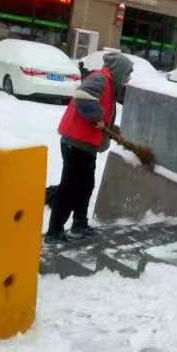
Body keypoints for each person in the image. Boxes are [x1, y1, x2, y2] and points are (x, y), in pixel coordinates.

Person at [45, 52, 134, 244]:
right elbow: (83, 97)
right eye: (127, 73)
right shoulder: (101, 78)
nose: (128, 78)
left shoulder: (109, 84)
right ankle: (54, 232)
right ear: (118, 70)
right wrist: (98, 118)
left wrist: (109, 128)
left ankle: (79, 224)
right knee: (70, 189)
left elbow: (100, 110)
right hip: (75, 142)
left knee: (85, 186)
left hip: (86, 144)